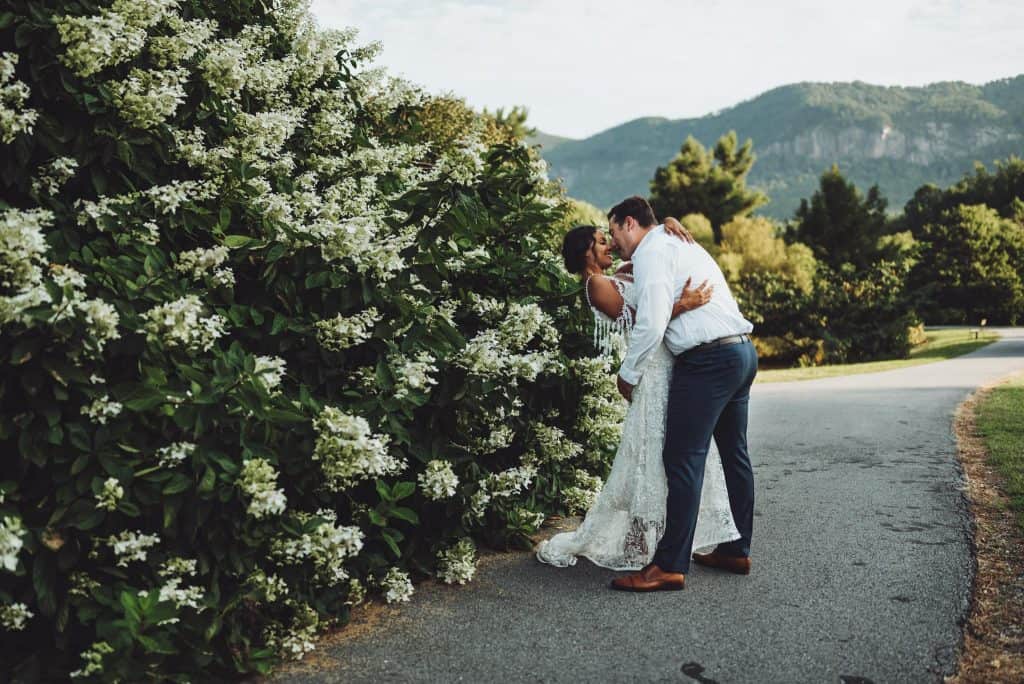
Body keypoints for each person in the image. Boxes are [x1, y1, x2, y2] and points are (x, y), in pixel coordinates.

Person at [535, 217, 739, 571]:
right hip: (650, 371)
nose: (609, 246)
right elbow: (641, 318)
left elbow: (651, 256)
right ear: (586, 253)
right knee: (649, 455)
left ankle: (666, 542)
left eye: (608, 238)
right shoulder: (596, 284)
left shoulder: (621, 271)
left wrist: (666, 224)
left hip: (669, 363)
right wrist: (685, 304)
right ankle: (642, 546)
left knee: (670, 456)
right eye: (601, 242)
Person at [606, 197, 756, 593]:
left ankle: (669, 565)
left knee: (681, 458)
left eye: (614, 231)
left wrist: (628, 374)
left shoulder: (654, 250)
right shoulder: (677, 243)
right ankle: (735, 549)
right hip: (740, 351)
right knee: (734, 453)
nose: (613, 240)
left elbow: (653, 321)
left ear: (631, 223)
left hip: (708, 360)